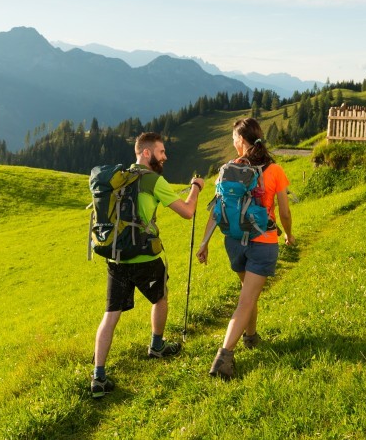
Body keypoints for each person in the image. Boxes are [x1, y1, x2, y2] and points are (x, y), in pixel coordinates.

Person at [91, 131, 205, 399]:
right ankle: (156, 346)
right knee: (160, 297)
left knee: (110, 315)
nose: (165, 156)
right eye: (161, 152)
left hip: (116, 256)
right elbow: (187, 212)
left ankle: (98, 376)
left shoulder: (120, 178)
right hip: (144, 256)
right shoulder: (153, 180)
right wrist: (196, 188)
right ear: (146, 152)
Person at [195, 117, 295, 380]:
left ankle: (251, 337)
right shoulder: (275, 170)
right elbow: (285, 212)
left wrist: (205, 243)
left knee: (247, 293)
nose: (233, 143)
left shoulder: (227, 169)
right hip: (263, 243)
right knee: (247, 299)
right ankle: (224, 357)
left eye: (233, 139)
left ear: (241, 140)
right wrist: (288, 234)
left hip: (234, 242)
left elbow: (217, 209)